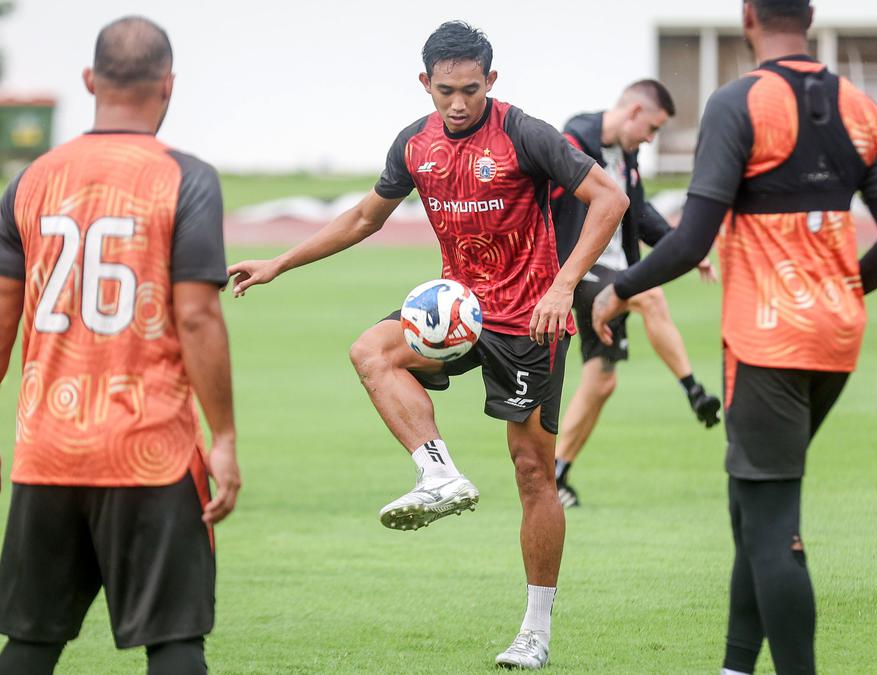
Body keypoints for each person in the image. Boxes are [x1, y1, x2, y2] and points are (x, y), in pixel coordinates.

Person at [228, 21, 626, 670]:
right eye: (445, 91)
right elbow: (364, 217)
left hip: (529, 321)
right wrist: (281, 262)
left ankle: (534, 629)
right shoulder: (415, 143)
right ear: (425, 84)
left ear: (491, 82)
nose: (458, 103)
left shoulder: (525, 134)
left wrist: (563, 287)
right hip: (457, 312)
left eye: (471, 89)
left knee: (532, 472)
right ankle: (437, 471)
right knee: (371, 351)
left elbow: (610, 196)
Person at [591, 1, 877, 672]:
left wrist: (618, 290)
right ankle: (735, 666)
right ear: (811, 15)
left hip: (768, 341)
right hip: (837, 337)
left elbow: (690, 240)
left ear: (748, 16)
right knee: (751, 500)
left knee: (772, 524)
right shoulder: (861, 105)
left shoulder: (738, 102)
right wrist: (839, 289)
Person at [0, 16, 239, 675]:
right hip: (152, 449)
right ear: (168, 85)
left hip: (49, 446)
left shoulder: (30, 181)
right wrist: (221, 437)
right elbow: (197, 319)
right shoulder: (188, 179)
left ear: (89, 81)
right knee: (174, 641)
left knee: (31, 641)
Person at [550, 79, 722, 507]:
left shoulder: (627, 156)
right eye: (652, 128)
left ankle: (556, 472)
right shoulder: (575, 140)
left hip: (613, 270)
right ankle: (693, 390)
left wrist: (683, 248)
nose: (651, 138)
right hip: (575, 270)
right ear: (633, 112)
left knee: (602, 380)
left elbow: (639, 212)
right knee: (649, 295)